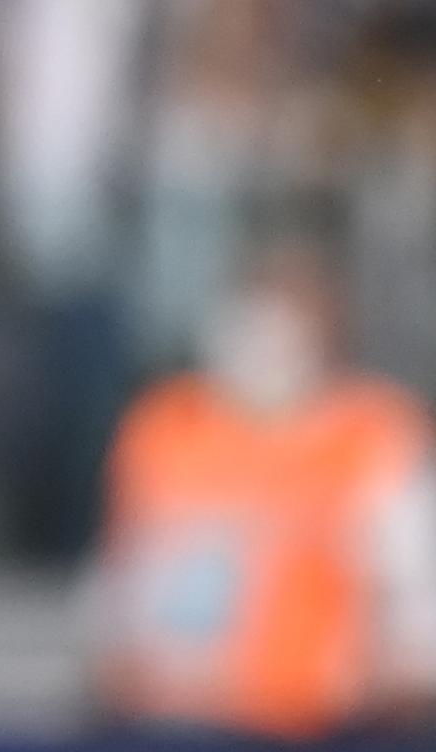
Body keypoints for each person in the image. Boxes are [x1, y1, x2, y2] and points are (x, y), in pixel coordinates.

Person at [90, 239, 436, 741]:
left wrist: (394, 677)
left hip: (323, 725)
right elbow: (124, 570)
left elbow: (411, 593)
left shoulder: (371, 433)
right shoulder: (166, 425)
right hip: (174, 717)